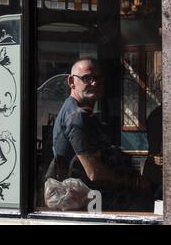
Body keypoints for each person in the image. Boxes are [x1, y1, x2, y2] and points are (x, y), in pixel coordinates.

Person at [49, 58, 153, 211]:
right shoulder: (77, 116)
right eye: (87, 78)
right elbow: (94, 173)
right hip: (89, 201)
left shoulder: (81, 112)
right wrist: (135, 182)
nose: (94, 83)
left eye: (98, 78)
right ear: (71, 81)